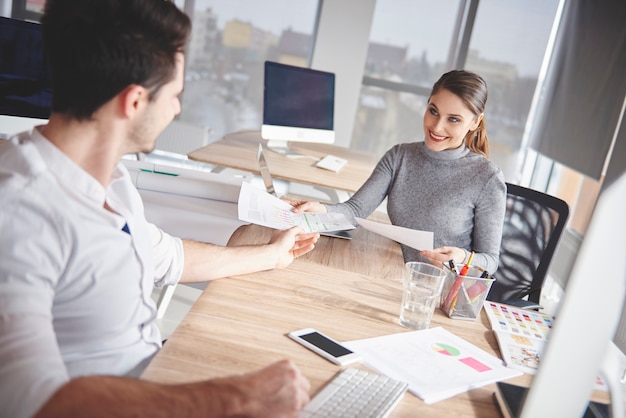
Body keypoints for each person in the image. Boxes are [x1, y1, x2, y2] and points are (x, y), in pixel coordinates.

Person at [0, 1, 318, 417]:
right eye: (174, 94)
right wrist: (233, 400)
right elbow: (28, 400)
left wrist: (272, 255)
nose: (177, 109)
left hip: (157, 373)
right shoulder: (20, 210)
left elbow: (167, 257)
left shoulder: (111, 181)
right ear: (134, 102)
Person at [293, 70, 506, 274]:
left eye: (453, 119)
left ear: (475, 122)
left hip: (443, 292)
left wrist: (462, 257)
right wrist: (321, 210)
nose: (437, 127)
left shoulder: (486, 177)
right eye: (433, 111)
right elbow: (355, 209)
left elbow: (490, 261)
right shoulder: (400, 156)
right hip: (394, 273)